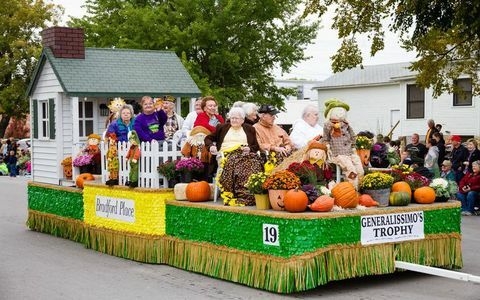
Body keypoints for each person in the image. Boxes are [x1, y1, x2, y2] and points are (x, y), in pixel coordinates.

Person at [205, 107, 262, 206]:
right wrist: (211, 146)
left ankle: (252, 193)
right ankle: (240, 194)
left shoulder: (250, 129)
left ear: (243, 120)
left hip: (245, 154)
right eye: (232, 118)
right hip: (226, 155)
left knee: (255, 163)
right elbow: (208, 138)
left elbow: (256, 146)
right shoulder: (222, 127)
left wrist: (249, 149)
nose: (234, 120)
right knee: (238, 164)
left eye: (237, 118)